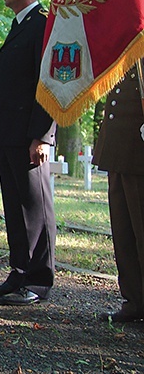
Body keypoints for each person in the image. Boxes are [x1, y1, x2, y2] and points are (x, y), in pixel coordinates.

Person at [0, 0, 57, 306]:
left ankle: (39, 279)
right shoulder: (20, 25)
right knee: (14, 206)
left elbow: (51, 82)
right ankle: (20, 271)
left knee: (34, 206)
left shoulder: (42, 25)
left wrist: (42, 134)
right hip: (10, 134)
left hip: (29, 135)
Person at [93, 66, 144, 322]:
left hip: (138, 148)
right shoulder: (127, 42)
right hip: (119, 146)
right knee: (124, 233)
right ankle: (134, 300)